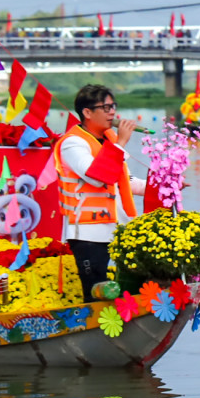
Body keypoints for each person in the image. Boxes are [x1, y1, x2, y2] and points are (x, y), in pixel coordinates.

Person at [52, 84, 148, 297]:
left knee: (134, 285)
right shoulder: (72, 143)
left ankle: (128, 324)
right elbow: (98, 176)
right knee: (96, 290)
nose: (112, 112)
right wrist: (122, 141)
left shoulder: (109, 140)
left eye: (113, 106)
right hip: (88, 232)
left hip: (119, 227)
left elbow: (123, 179)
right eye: (105, 107)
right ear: (87, 112)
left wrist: (162, 185)